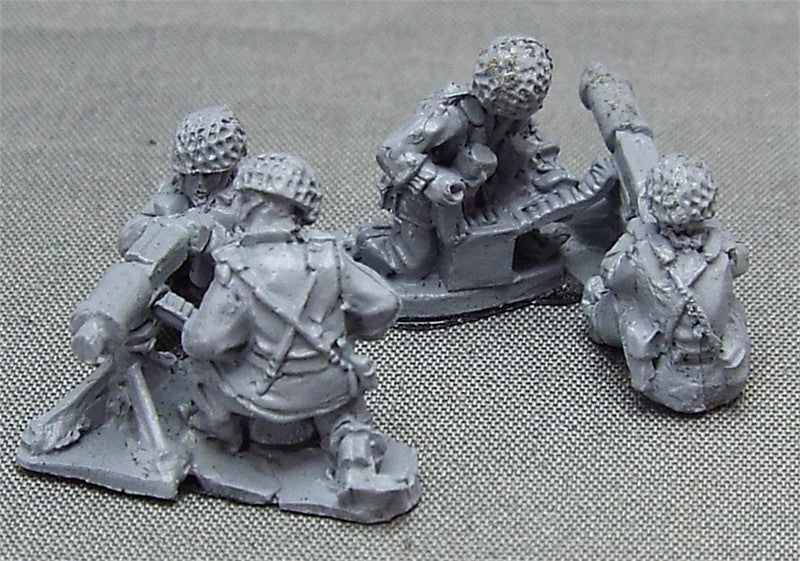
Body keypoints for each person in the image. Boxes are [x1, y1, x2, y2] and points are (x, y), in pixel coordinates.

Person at [181, 152, 413, 497]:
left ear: (255, 202)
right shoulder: (328, 254)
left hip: (261, 394)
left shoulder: (235, 264)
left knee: (197, 368)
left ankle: (224, 434)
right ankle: (352, 452)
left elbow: (205, 342)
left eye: (240, 198)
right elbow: (384, 304)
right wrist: (343, 330)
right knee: (347, 417)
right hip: (332, 384)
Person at [356, 35, 578, 279]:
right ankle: (366, 243)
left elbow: (534, 147)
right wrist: (433, 180)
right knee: (414, 264)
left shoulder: (515, 117)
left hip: (484, 196)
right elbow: (391, 150)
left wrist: (555, 179)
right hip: (424, 198)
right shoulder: (450, 115)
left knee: (521, 236)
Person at [582, 154, 750, 412]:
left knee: (606, 298)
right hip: (726, 375)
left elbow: (612, 278)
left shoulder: (641, 252)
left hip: (666, 380)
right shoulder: (723, 248)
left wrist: (633, 239)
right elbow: (740, 265)